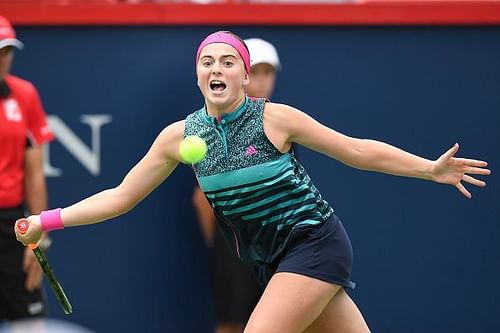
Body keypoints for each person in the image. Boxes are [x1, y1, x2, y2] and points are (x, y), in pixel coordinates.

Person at [15, 31, 490, 332]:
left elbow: (357, 150)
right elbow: (120, 197)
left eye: (227, 62)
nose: (216, 69)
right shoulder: (179, 136)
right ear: (198, 75)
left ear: (245, 75)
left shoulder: (275, 120)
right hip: (270, 260)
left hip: (314, 244)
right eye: (207, 62)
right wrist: (45, 220)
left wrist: (429, 168)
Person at [193, 37, 282, 333]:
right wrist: (231, 243)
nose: (262, 80)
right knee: (232, 325)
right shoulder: (204, 131)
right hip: (236, 249)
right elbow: (201, 200)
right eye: (256, 72)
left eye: (268, 72)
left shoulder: (281, 124)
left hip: (278, 248)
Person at [0, 16, 54, 321]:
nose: (3, 59)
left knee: (30, 324)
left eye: (7, 50)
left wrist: (40, 236)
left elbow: (34, 173)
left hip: (11, 227)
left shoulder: (25, 95)